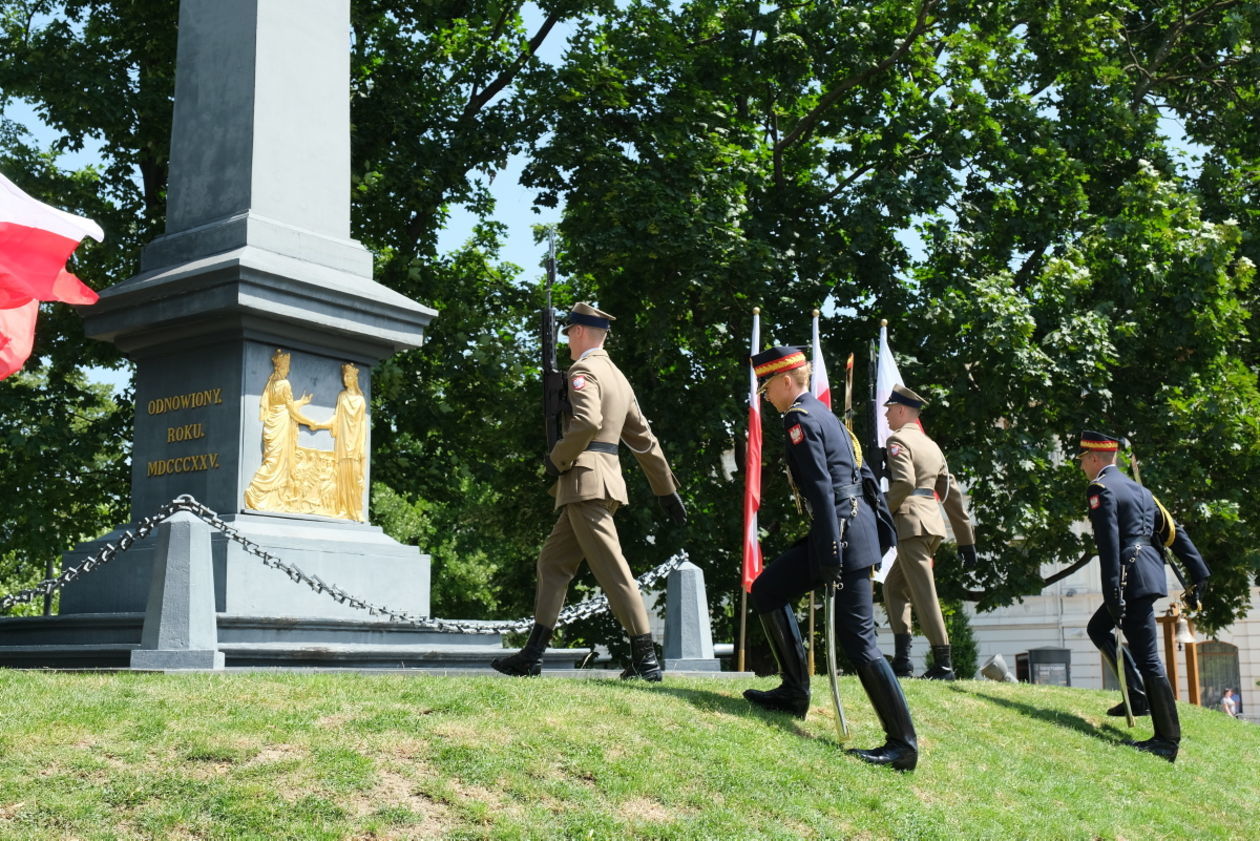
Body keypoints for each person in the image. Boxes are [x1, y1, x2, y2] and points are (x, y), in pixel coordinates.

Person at [744, 346, 917, 771]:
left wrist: (829, 551)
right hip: (843, 530)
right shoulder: (824, 414)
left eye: (767, 387)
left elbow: (822, 489)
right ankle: (793, 692)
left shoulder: (800, 419)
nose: (765, 396)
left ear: (787, 381)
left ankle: (903, 744)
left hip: (840, 533)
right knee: (767, 590)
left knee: (859, 642)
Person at [493, 302, 686, 680]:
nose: (566, 342)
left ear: (579, 331)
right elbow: (644, 439)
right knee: (552, 563)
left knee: (613, 569)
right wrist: (664, 488)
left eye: (568, 334)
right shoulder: (617, 376)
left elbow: (585, 422)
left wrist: (557, 458)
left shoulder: (583, 371)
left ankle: (645, 660)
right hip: (603, 482)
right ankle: (532, 655)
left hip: (585, 481)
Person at [1079, 430, 1211, 762]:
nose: (1082, 466)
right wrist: (1199, 573)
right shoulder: (1142, 491)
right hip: (1148, 573)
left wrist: (1112, 593)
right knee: (1098, 629)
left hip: (1128, 579)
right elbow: (1173, 532)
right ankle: (1136, 695)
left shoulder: (1101, 489)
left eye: (1082, 460)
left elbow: (1109, 546)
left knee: (1149, 658)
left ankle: (1167, 740)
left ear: (1094, 458)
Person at [881, 384, 976, 680]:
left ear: (900, 410)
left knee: (924, 593)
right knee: (893, 588)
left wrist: (879, 509)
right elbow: (952, 493)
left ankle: (943, 663)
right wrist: (965, 541)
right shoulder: (932, 445)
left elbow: (905, 483)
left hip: (910, 523)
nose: (885, 416)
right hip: (930, 524)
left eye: (888, 410)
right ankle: (903, 660)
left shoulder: (897, 440)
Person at [245, 348, 321, 512]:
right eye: (287, 366)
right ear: (281, 367)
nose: (289, 369)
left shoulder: (271, 382)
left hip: (274, 422)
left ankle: (272, 500)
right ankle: (255, 490)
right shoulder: (285, 384)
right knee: (275, 463)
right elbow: (291, 411)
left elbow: (283, 405)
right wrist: (310, 421)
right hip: (281, 425)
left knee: (274, 461)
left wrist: (301, 402)